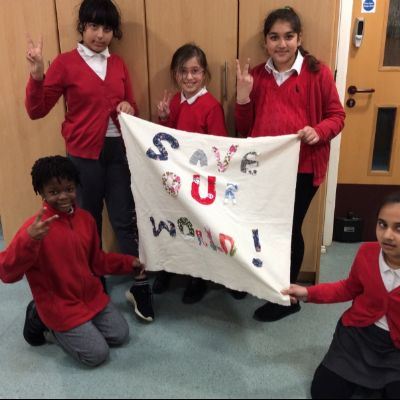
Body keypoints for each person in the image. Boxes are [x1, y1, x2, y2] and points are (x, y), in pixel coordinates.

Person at [24, 0, 153, 321]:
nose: (100, 35)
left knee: (125, 218)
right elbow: (36, 110)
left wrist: (128, 106)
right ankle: (92, 282)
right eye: (93, 26)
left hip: (118, 152)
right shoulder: (65, 63)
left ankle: (139, 284)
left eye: (107, 28)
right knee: (86, 220)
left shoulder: (118, 64)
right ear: (82, 28)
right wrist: (37, 76)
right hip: (83, 156)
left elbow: (131, 103)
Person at [235, 7, 345, 321]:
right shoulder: (256, 76)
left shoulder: (318, 73)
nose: (281, 44)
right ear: (265, 42)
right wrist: (242, 96)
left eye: (288, 36)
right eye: (274, 37)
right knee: (258, 227)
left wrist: (318, 131)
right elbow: (244, 127)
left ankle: (288, 298)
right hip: (263, 170)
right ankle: (259, 279)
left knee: (287, 229)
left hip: (303, 168)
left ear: (299, 38)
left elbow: (337, 116)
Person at [0, 156, 144, 367]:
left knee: (120, 335)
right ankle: (40, 318)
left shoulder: (85, 219)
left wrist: (128, 263)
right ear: (41, 193)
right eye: (54, 192)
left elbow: (97, 261)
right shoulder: (35, 229)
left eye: (69, 189)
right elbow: (6, 273)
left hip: (90, 297)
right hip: (60, 307)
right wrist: (29, 240)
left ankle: (75, 324)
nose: (63, 196)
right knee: (96, 355)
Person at [282, 192, 400, 399]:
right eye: (382, 224)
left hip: (395, 349)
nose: (388, 235)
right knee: (324, 392)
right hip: (358, 335)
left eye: (399, 228)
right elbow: (347, 288)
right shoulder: (367, 252)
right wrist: (307, 293)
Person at [152, 43, 244, 304]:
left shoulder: (211, 106)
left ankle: (198, 278)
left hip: (198, 182)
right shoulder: (174, 101)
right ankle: (169, 268)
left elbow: (218, 149)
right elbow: (169, 140)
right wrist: (164, 118)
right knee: (173, 224)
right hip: (175, 179)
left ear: (204, 74)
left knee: (196, 230)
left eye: (195, 71)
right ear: (175, 74)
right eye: (183, 71)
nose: (189, 77)